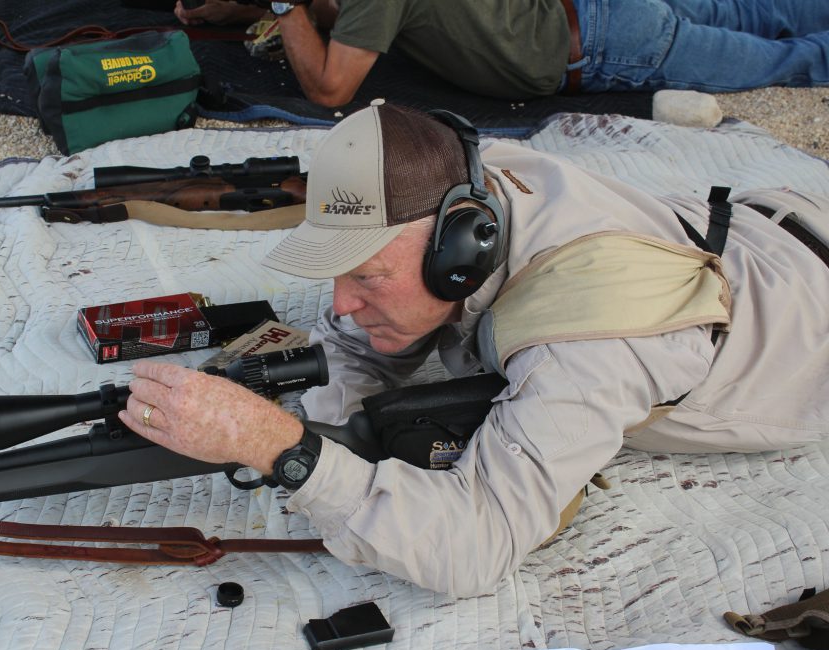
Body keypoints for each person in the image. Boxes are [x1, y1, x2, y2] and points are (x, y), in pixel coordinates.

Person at [118, 102, 829, 597]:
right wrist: (345, 432)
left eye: (367, 273)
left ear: (461, 252)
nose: (338, 305)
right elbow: (349, 350)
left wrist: (287, 451)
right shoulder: (467, 181)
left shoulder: (588, 338)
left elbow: (476, 548)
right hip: (767, 224)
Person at [173, 0, 829, 106]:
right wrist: (245, 11)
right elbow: (349, 14)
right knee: (759, 11)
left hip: (609, 47)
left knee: (794, 65)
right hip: (608, 16)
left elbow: (330, 88)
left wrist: (283, 8)